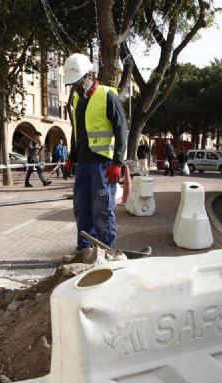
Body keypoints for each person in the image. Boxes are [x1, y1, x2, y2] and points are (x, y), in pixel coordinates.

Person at [62, 53, 128, 262]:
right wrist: (72, 157)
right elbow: (77, 132)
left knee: (102, 211)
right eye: (72, 83)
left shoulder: (107, 96)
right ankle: (84, 251)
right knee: (82, 208)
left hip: (103, 164)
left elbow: (121, 130)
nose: (75, 87)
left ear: (89, 75)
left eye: (77, 82)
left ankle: (107, 252)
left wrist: (118, 162)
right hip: (83, 164)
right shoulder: (77, 99)